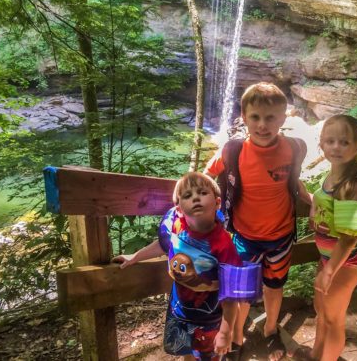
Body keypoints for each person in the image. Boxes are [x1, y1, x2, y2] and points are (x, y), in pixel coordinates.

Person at [205, 82, 310, 361]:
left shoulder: (294, 149)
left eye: (270, 117)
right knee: (239, 294)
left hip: (281, 236)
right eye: (255, 117)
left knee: (274, 288)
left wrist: (313, 202)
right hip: (243, 237)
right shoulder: (233, 151)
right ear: (244, 116)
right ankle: (237, 337)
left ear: (283, 118)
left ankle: (270, 330)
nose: (263, 125)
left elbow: (292, 181)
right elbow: (207, 177)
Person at [113, 172, 250, 361]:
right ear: (178, 209)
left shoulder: (223, 244)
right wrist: (135, 257)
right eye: (187, 195)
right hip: (180, 309)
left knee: (209, 356)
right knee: (186, 351)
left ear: (217, 203)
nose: (195, 197)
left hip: (209, 316)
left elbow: (230, 296)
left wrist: (226, 332)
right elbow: (163, 245)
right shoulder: (177, 226)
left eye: (202, 192)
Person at [295, 114, 357, 361]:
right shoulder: (330, 177)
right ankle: (317, 355)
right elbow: (328, 208)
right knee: (322, 312)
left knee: (333, 319)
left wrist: (329, 271)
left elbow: (349, 237)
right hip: (328, 259)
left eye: (344, 142)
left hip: (345, 263)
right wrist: (307, 197)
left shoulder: (352, 186)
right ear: (322, 144)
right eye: (330, 141)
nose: (336, 147)